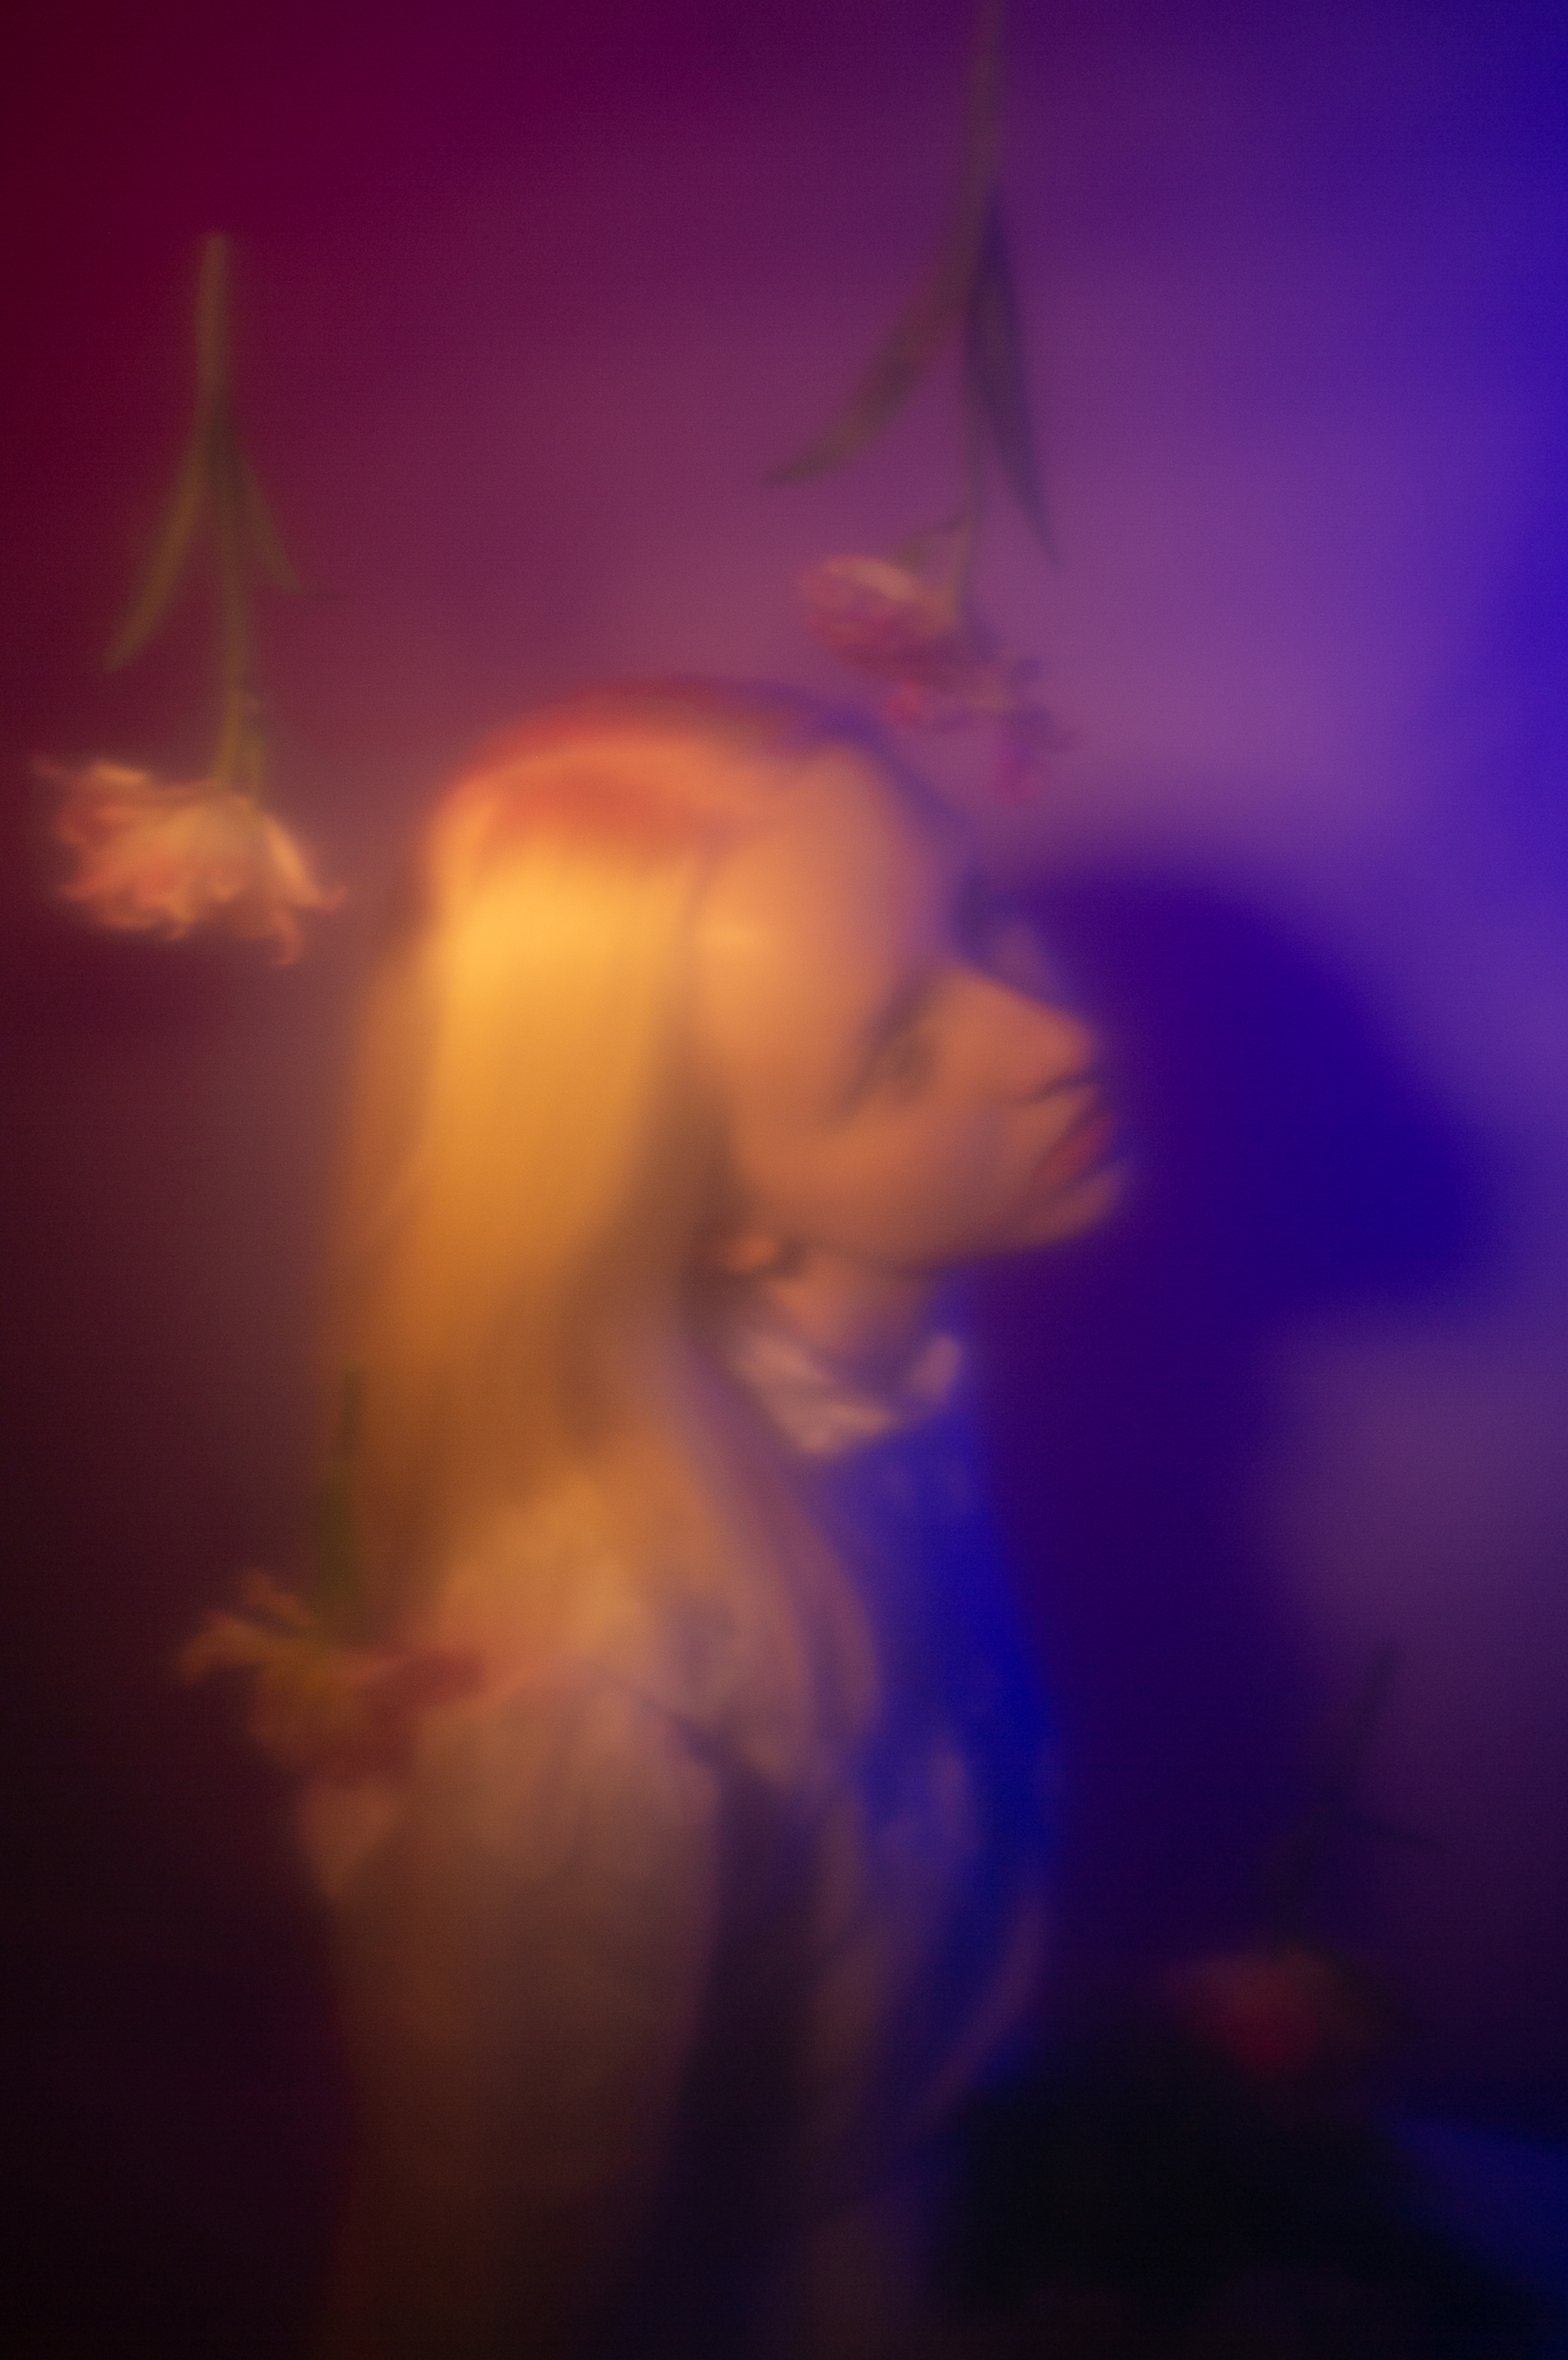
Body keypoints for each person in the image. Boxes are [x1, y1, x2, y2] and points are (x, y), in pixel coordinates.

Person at [289, 682, 1124, 2358]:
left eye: (977, 910)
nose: (1056, 1039)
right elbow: (502, 2275)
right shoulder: (587, 1690)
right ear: (709, 1208)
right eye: (896, 1054)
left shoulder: (880, 1391)